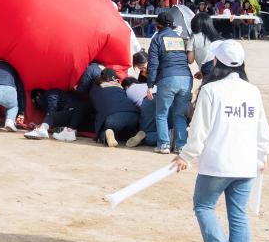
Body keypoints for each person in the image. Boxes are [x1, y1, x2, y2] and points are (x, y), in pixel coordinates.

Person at [173, 41, 269, 242]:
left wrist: (186, 155)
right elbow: (262, 128)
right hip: (246, 164)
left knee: (203, 205)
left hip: (218, 163)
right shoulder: (252, 91)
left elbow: (199, 129)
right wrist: (263, 154)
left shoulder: (211, 90)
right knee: (238, 214)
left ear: (216, 62)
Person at [146, 10, 192, 154]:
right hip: (186, 78)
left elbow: (153, 64)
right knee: (179, 115)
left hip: (168, 78)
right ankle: (181, 145)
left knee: (161, 114)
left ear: (157, 24)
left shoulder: (157, 38)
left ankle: (164, 145)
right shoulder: (179, 38)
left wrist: (150, 85)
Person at [88, 68, 145, 148]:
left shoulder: (95, 90)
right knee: (126, 131)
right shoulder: (119, 88)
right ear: (114, 78)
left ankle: (106, 135)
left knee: (104, 130)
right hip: (134, 115)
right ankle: (134, 135)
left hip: (113, 117)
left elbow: (95, 109)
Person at [25, 88, 91, 141]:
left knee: (50, 116)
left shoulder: (50, 94)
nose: (35, 104)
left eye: (34, 101)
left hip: (74, 110)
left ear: (38, 96)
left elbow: (52, 111)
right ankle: (43, 129)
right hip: (78, 116)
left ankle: (41, 131)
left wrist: (41, 124)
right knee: (51, 117)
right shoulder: (52, 96)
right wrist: (39, 125)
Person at [189, 12, 222, 78]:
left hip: (207, 69)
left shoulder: (194, 36)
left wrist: (187, 46)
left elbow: (190, 60)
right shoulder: (217, 38)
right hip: (221, 68)